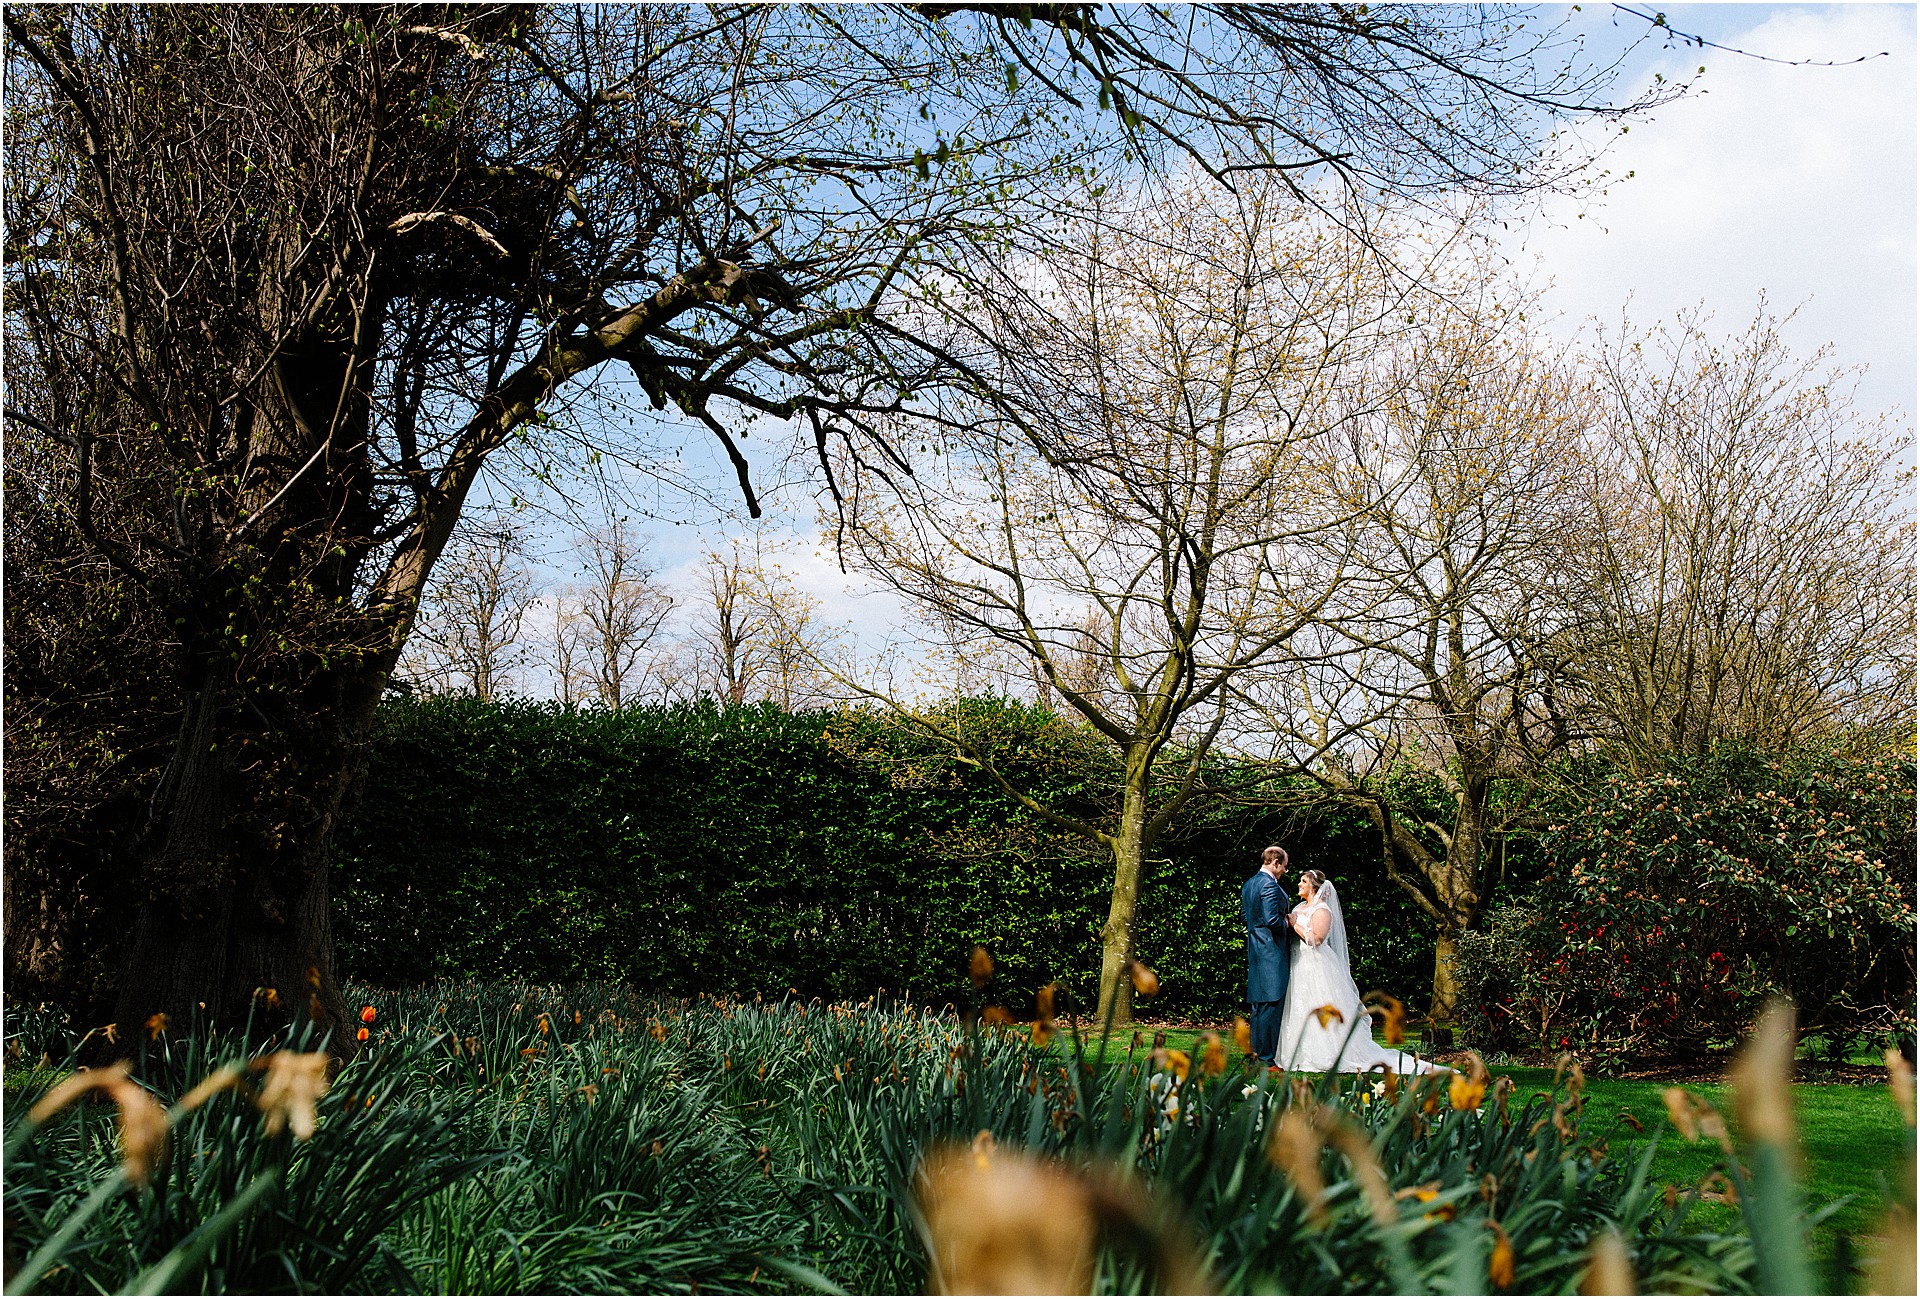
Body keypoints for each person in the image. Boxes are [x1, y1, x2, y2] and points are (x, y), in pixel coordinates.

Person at [1277, 869, 1441, 1074]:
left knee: (1318, 1004)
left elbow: (1316, 939)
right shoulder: (1300, 907)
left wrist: (1294, 924)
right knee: (1298, 1006)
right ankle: (1297, 1053)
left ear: (1314, 886)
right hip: (1298, 963)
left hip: (1316, 966)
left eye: (1303, 881)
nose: (1299, 884)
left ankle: (1327, 1053)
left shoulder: (1322, 910)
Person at [1240, 845, 1292, 1066]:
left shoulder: (1249, 884)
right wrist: (1289, 922)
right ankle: (1266, 1060)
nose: (1284, 872)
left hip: (1256, 950)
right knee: (1271, 1005)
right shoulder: (1269, 885)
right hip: (1272, 952)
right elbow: (1273, 920)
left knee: (1259, 1007)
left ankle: (1255, 1055)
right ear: (1276, 862)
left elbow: (1245, 917)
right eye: (1284, 867)